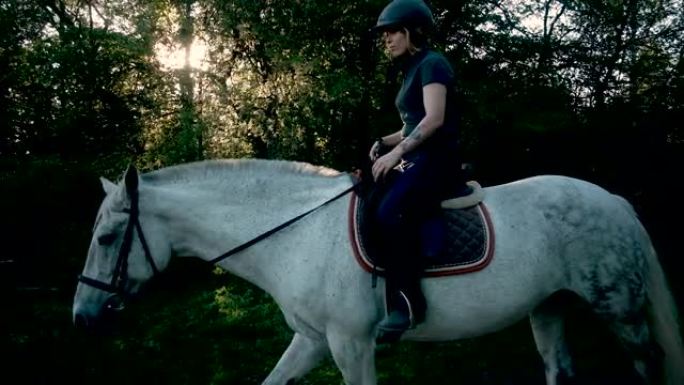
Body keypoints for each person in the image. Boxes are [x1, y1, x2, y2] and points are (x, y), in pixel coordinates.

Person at [369, 0, 466, 342]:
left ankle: (409, 302)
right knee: (368, 196)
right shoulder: (412, 70)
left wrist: (397, 152)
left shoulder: (433, 64)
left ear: (412, 32)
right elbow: (410, 125)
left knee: (390, 211)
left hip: (438, 159)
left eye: (393, 32)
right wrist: (384, 142)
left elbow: (434, 120)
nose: (387, 40)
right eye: (385, 35)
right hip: (418, 156)